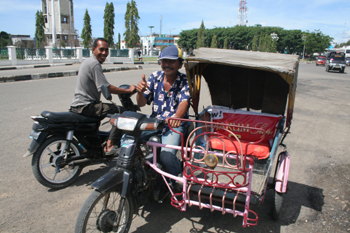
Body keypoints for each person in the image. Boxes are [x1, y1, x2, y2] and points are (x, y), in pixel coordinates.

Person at [136, 45, 191, 187]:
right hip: (155, 122)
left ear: (180, 64)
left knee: (166, 156)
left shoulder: (184, 80)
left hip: (175, 125)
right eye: (164, 61)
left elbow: (184, 103)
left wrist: (176, 118)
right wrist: (139, 92)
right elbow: (142, 103)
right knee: (129, 140)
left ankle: (177, 180)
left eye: (171, 61)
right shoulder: (155, 77)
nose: (167, 65)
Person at [70, 38, 135, 155]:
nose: (104, 53)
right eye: (101, 49)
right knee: (122, 112)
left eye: (106, 50)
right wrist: (127, 90)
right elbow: (107, 87)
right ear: (93, 49)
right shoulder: (94, 63)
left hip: (78, 104)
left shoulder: (88, 61)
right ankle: (110, 145)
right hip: (87, 105)